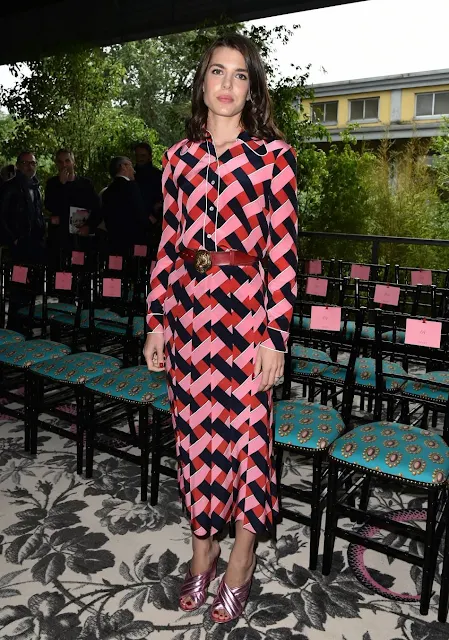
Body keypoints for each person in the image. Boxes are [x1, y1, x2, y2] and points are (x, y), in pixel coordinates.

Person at [144, 34, 298, 623]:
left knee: (247, 444)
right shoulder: (178, 158)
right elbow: (166, 245)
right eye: (217, 72)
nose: (228, 84)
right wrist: (157, 319)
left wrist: (274, 337)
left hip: (245, 318)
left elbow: (282, 255)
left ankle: (241, 558)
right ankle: (200, 550)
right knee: (196, 440)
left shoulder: (272, 159)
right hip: (187, 319)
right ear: (203, 84)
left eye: (240, 75)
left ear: (251, 89)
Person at [0, 151, 46, 329]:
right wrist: (14, 240)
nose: (30, 166)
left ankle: (25, 323)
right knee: (19, 288)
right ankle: (15, 326)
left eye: (33, 163)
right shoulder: (10, 187)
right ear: (18, 165)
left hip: (35, 245)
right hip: (19, 247)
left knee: (31, 288)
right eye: (26, 163)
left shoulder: (35, 186)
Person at [44, 149, 101, 261]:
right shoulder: (52, 184)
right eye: (60, 162)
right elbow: (50, 206)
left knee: (79, 269)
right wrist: (61, 185)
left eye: (67, 161)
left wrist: (89, 227)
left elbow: (97, 209)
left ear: (73, 162)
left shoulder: (86, 184)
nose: (64, 165)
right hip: (59, 238)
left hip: (81, 237)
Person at [101, 156, 149, 255]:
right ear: (123, 166)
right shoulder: (131, 187)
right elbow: (140, 214)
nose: (134, 171)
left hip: (113, 243)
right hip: (132, 244)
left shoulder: (107, 192)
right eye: (131, 166)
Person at [134, 142, 163, 250]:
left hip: (153, 224)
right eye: (137, 156)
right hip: (134, 223)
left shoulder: (158, 176)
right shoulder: (131, 175)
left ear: (150, 157)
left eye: (143, 156)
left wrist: (154, 215)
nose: (140, 159)